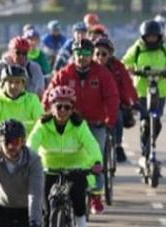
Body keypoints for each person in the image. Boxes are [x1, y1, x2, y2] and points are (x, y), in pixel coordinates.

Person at [27, 86, 103, 227]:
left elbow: (91, 144)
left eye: (67, 108)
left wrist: (96, 161)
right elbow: (32, 143)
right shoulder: (43, 125)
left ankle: (80, 219)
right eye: (58, 107)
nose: (62, 111)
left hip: (75, 167)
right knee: (45, 212)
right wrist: (27, 160)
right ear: (51, 107)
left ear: (72, 109)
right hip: (49, 169)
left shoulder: (79, 125)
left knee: (78, 189)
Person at [45, 38, 119, 216]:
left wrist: (110, 119)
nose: (81, 57)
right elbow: (50, 94)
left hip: (96, 123)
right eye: (78, 53)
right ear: (73, 54)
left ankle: (95, 195)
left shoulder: (102, 73)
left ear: (91, 55)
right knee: (66, 156)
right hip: (71, 122)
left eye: (86, 54)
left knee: (96, 159)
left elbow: (112, 96)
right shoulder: (64, 73)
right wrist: (47, 114)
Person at [121, 19, 166, 171]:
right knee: (145, 122)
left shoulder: (165, 49)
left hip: (159, 91)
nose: (152, 39)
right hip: (141, 91)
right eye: (149, 37)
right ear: (143, 37)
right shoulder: (137, 48)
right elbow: (125, 60)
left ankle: (151, 145)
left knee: (156, 121)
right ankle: (145, 152)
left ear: (159, 36)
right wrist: (128, 68)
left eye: (154, 36)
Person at [93, 36, 138, 164]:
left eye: (104, 54)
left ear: (110, 54)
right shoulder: (90, 67)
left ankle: (118, 145)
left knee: (117, 117)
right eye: (97, 54)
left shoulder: (118, 67)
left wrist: (135, 101)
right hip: (94, 104)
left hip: (116, 102)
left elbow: (128, 84)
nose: (100, 57)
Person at [0, 65, 44, 145]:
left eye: (17, 82)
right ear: (3, 84)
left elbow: (41, 122)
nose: (13, 86)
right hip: (2, 148)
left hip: (26, 149)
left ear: (23, 84)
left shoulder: (32, 100)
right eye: (10, 82)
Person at [0, 36, 46, 102]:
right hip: (3, 104)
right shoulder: (1, 66)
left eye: (24, 53)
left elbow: (40, 89)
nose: (21, 56)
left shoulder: (34, 68)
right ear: (11, 52)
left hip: (25, 105)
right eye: (18, 53)